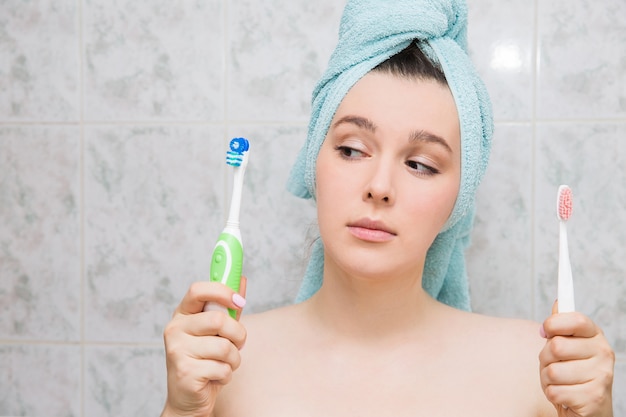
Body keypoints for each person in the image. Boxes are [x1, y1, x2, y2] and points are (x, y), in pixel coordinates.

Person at [160, 1, 615, 416]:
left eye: (420, 164)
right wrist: (182, 410)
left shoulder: (538, 372)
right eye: (353, 150)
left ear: (459, 199)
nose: (379, 187)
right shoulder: (225, 364)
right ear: (313, 163)